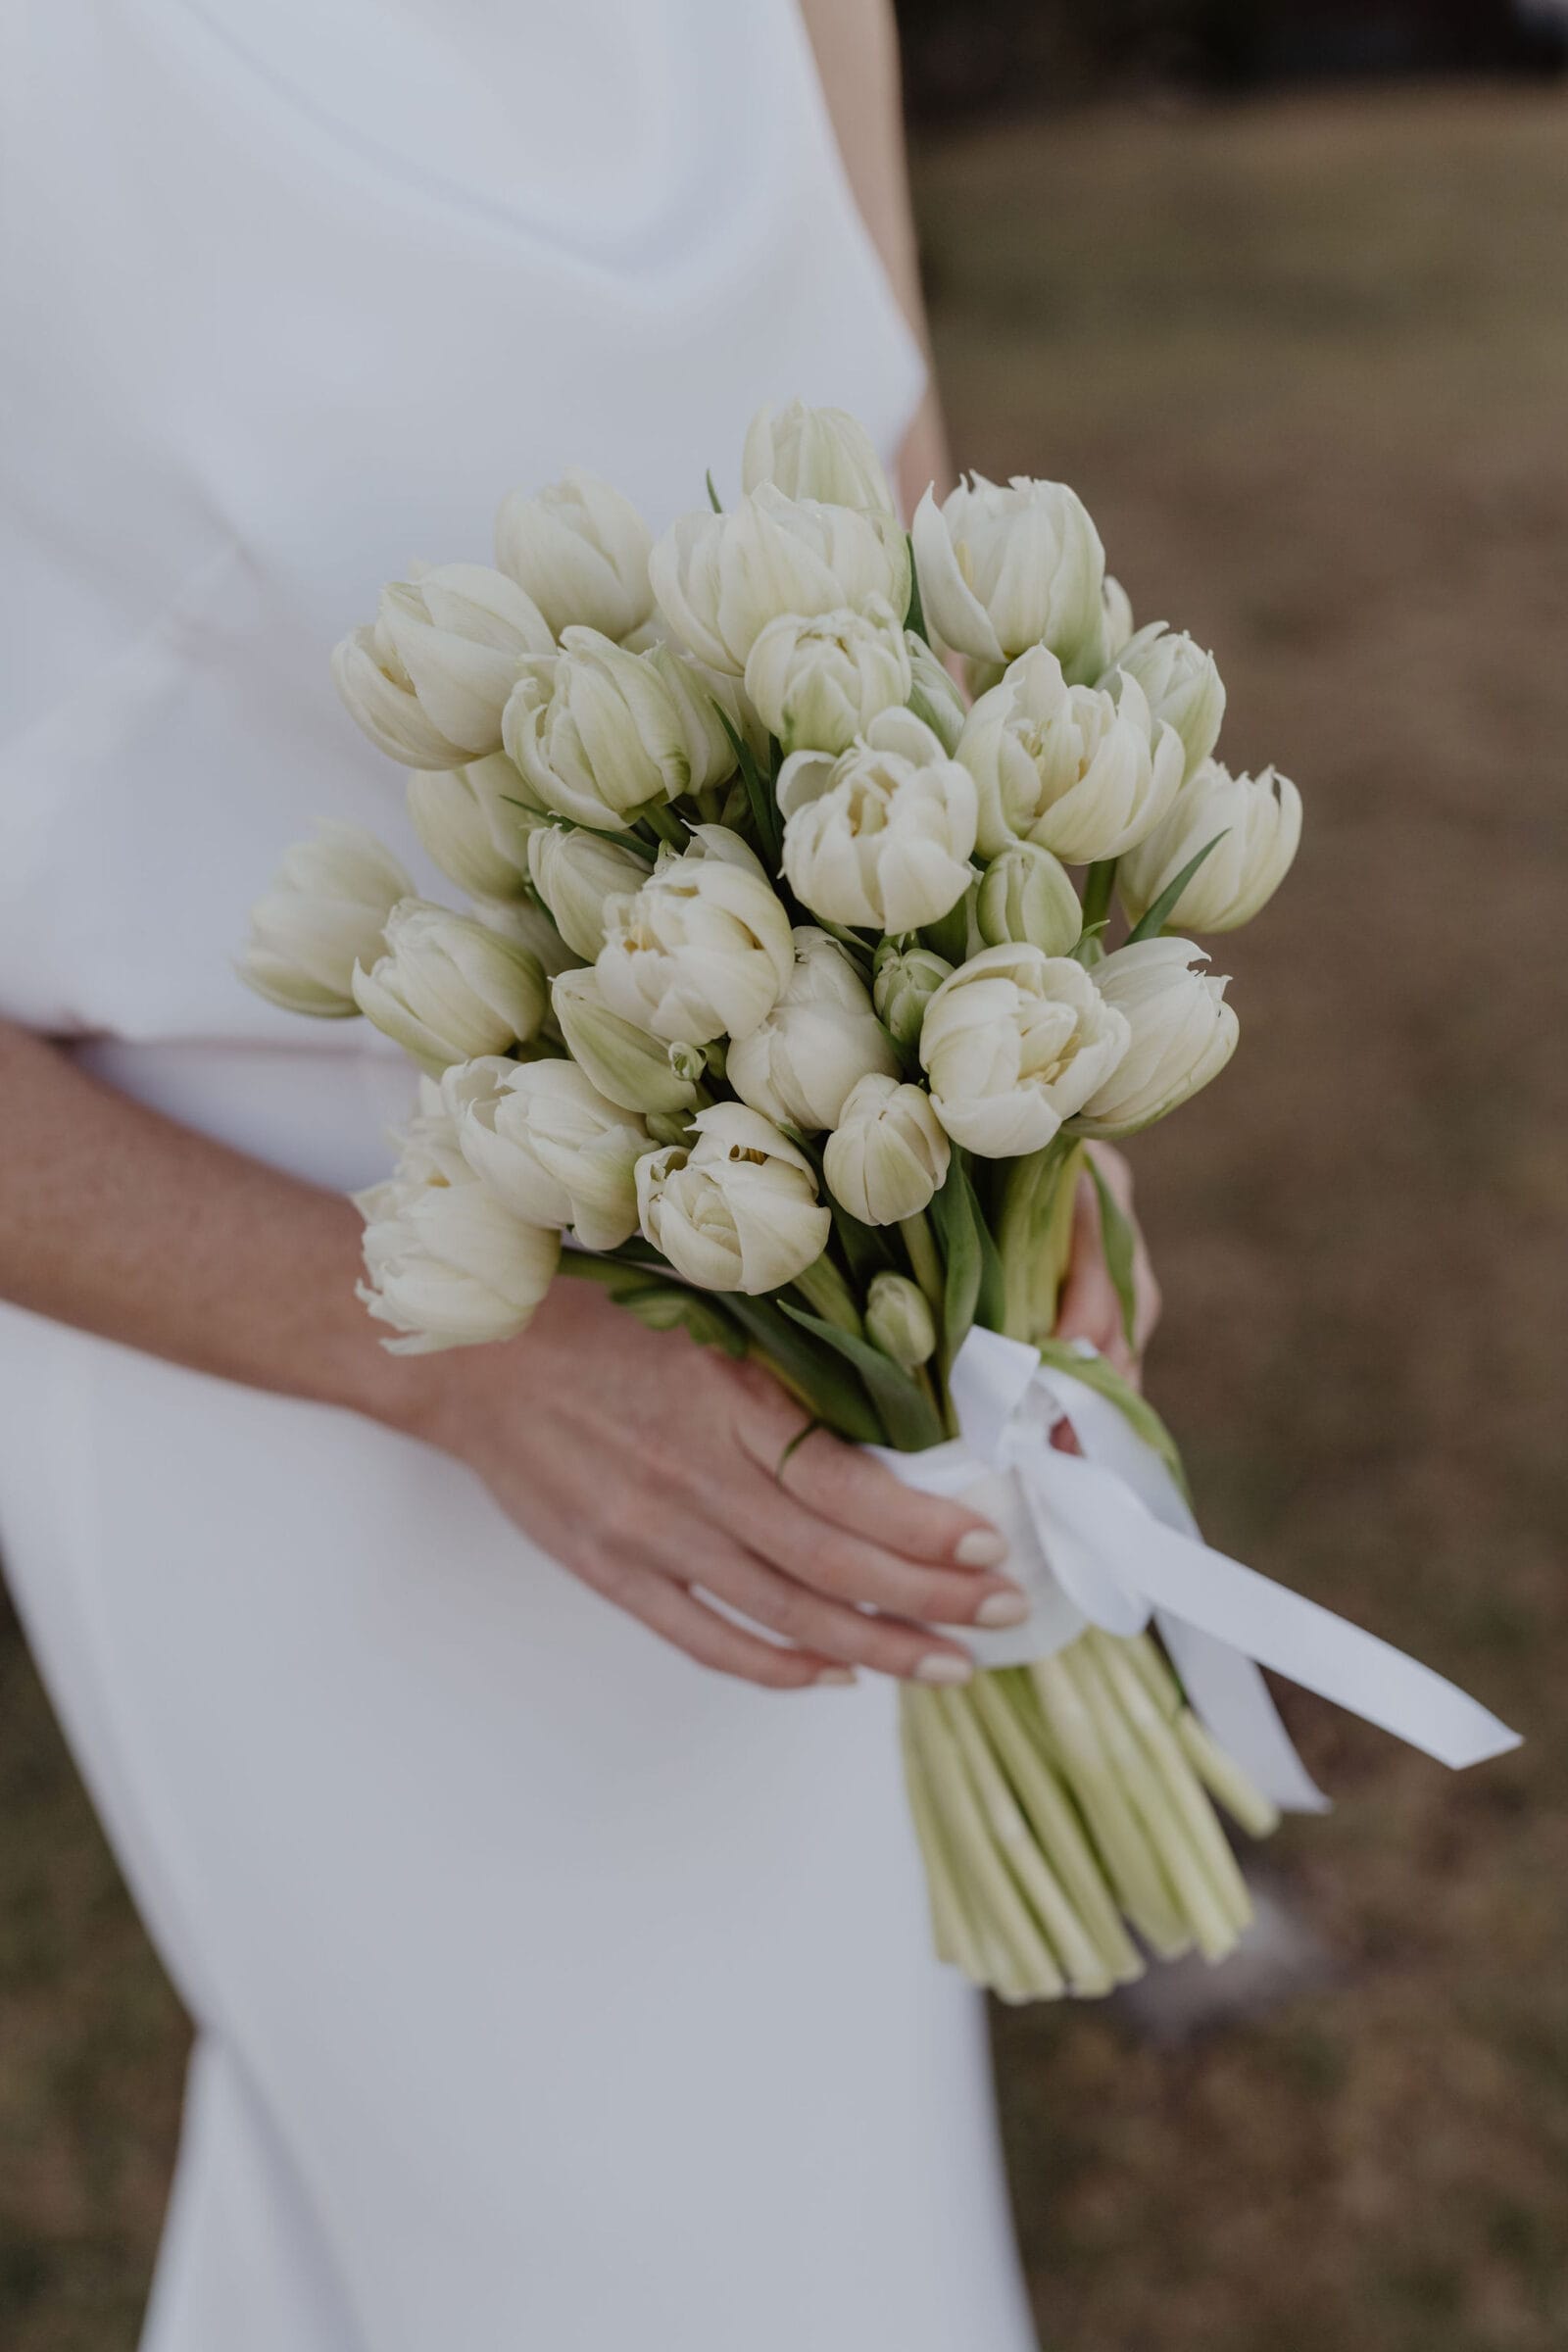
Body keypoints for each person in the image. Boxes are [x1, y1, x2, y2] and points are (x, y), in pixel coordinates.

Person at [0, 3, 1154, 2344]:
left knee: (779, 2199)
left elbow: (889, 519)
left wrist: (1022, 1110)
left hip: (827, 1196)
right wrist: (469, 1368)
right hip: (290, 1355)